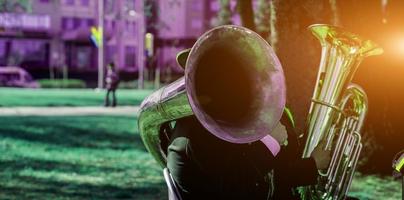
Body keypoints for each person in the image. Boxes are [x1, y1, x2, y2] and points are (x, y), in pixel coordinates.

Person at [166, 50, 331, 200]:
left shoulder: (221, 126)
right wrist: (270, 143)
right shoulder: (196, 136)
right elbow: (238, 189)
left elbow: (269, 176)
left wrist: (312, 163)